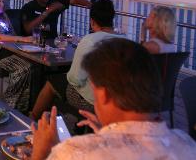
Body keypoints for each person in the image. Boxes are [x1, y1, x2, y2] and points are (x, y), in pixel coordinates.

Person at [31, 38, 196, 160]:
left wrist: (43, 153)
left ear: (104, 94)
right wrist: (109, 132)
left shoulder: (74, 152)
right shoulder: (187, 145)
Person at [31, 0, 124, 120]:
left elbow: (75, 79)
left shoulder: (90, 41)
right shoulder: (127, 41)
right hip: (118, 101)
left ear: (92, 21)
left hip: (91, 102)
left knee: (53, 82)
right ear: (112, 19)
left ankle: (32, 120)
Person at [21, 0, 91, 37]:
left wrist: (91, 5)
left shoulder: (54, 2)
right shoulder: (28, 7)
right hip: (33, 42)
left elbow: (75, 0)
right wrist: (48, 11)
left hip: (52, 42)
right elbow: (28, 29)